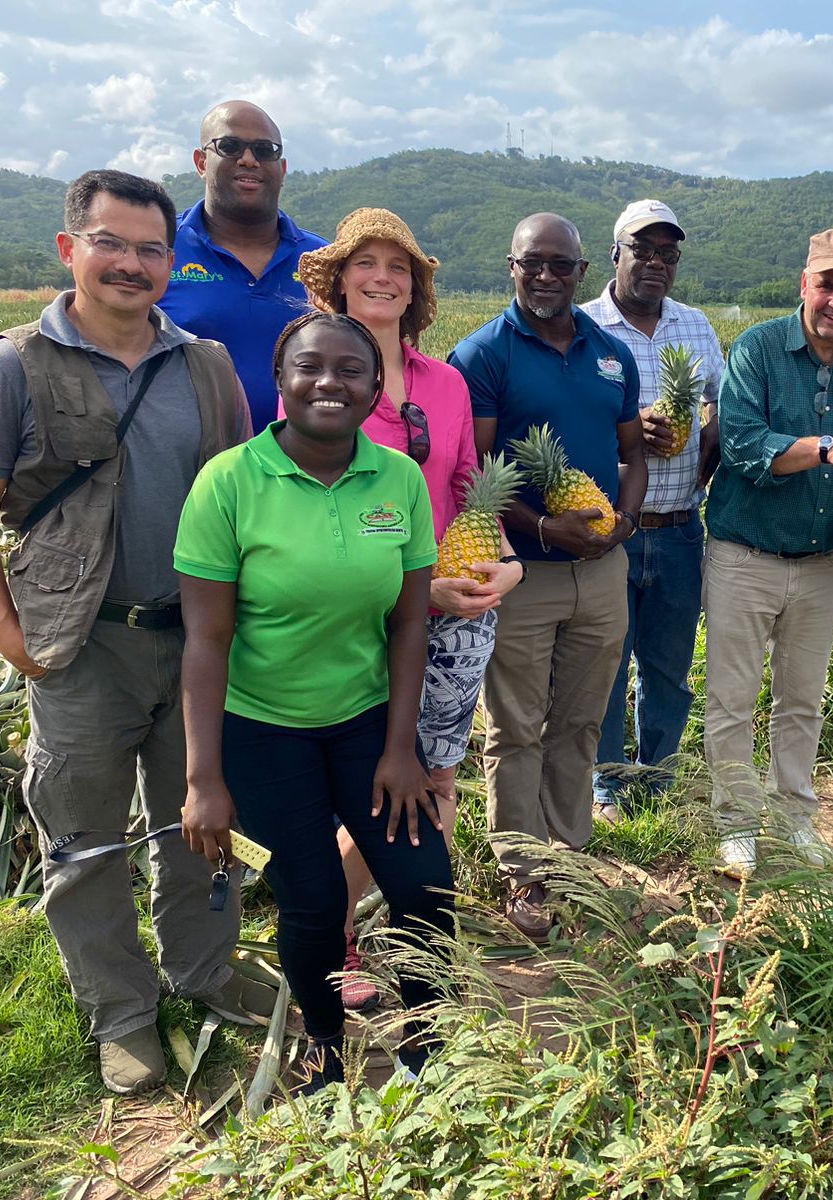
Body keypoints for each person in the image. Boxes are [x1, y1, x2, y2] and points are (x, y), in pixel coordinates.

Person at [0, 169, 263, 1095]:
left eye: (152, 249)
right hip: (80, 646)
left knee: (202, 823)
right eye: (111, 243)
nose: (131, 264)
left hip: (195, 640)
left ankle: (203, 971)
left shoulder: (201, 366)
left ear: (172, 261)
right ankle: (121, 1012)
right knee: (83, 839)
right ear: (70, 249)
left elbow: (240, 499)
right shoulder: (14, 366)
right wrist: (9, 635)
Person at [177, 311, 452, 1090]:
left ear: (374, 391)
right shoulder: (229, 482)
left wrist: (402, 750)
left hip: (367, 721)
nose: (329, 381)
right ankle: (327, 1048)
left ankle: (426, 1046)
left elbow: (407, 623)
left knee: (425, 884)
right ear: (281, 380)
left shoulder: (396, 477)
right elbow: (206, 641)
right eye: (309, 367)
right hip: (263, 730)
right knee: (312, 896)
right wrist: (204, 780)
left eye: (350, 370)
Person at [296, 208, 523, 1008]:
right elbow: (303, 510)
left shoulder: (447, 383)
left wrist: (505, 564)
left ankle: (418, 935)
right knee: (369, 788)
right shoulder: (320, 377)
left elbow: (469, 489)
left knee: (439, 778)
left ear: (416, 285)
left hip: (459, 608)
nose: (383, 276)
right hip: (358, 613)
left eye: (399, 264)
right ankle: (333, 934)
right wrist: (413, 587)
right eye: (367, 263)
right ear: (339, 279)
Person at [448, 213, 645, 940]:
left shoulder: (611, 355)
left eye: (562, 265)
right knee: (516, 726)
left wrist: (624, 516)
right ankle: (521, 870)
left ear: (582, 271)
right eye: (534, 262)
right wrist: (539, 527)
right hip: (521, 572)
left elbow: (635, 452)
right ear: (512, 265)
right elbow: (477, 474)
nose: (548, 276)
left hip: (601, 566)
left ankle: (571, 855)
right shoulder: (484, 355)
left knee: (583, 717)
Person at [702, 228, 833, 880]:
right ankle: (735, 823)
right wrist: (826, 446)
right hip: (743, 555)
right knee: (732, 699)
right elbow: (742, 445)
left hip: (819, 563)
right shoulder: (758, 348)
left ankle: (794, 817)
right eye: (828, 285)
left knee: (802, 700)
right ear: (804, 284)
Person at [582, 200, 726, 823]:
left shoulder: (697, 328)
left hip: (679, 528)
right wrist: (627, 433)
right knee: (607, 663)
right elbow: (568, 421)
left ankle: (658, 778)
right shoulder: (582, 325)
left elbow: (719, 409)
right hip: (609, 529)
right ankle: (608, 785)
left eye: (668, 254)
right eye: (643, 250)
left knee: (669, 665)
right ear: (616, 254)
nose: (656, 263)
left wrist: (702, 456)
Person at [161, 100, 327, 433]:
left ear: (281, 169)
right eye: (230, 146)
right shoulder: (159, 248)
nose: (249, 159)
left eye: (265, 150)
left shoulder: (323, 258)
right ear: (201, 162)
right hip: (187, 466)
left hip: (304, 468)